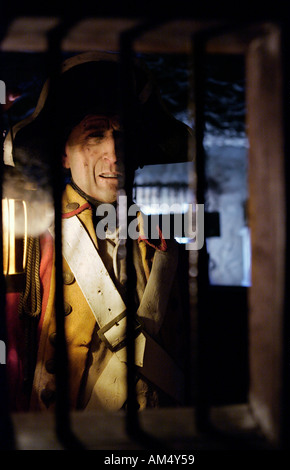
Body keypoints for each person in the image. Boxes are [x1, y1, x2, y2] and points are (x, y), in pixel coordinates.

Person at [4, 52, 191, 412]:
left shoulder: (167, 245)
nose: (114, 154)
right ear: (64, 154)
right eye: (94, 135)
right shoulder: (26, 240)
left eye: (124, 137)